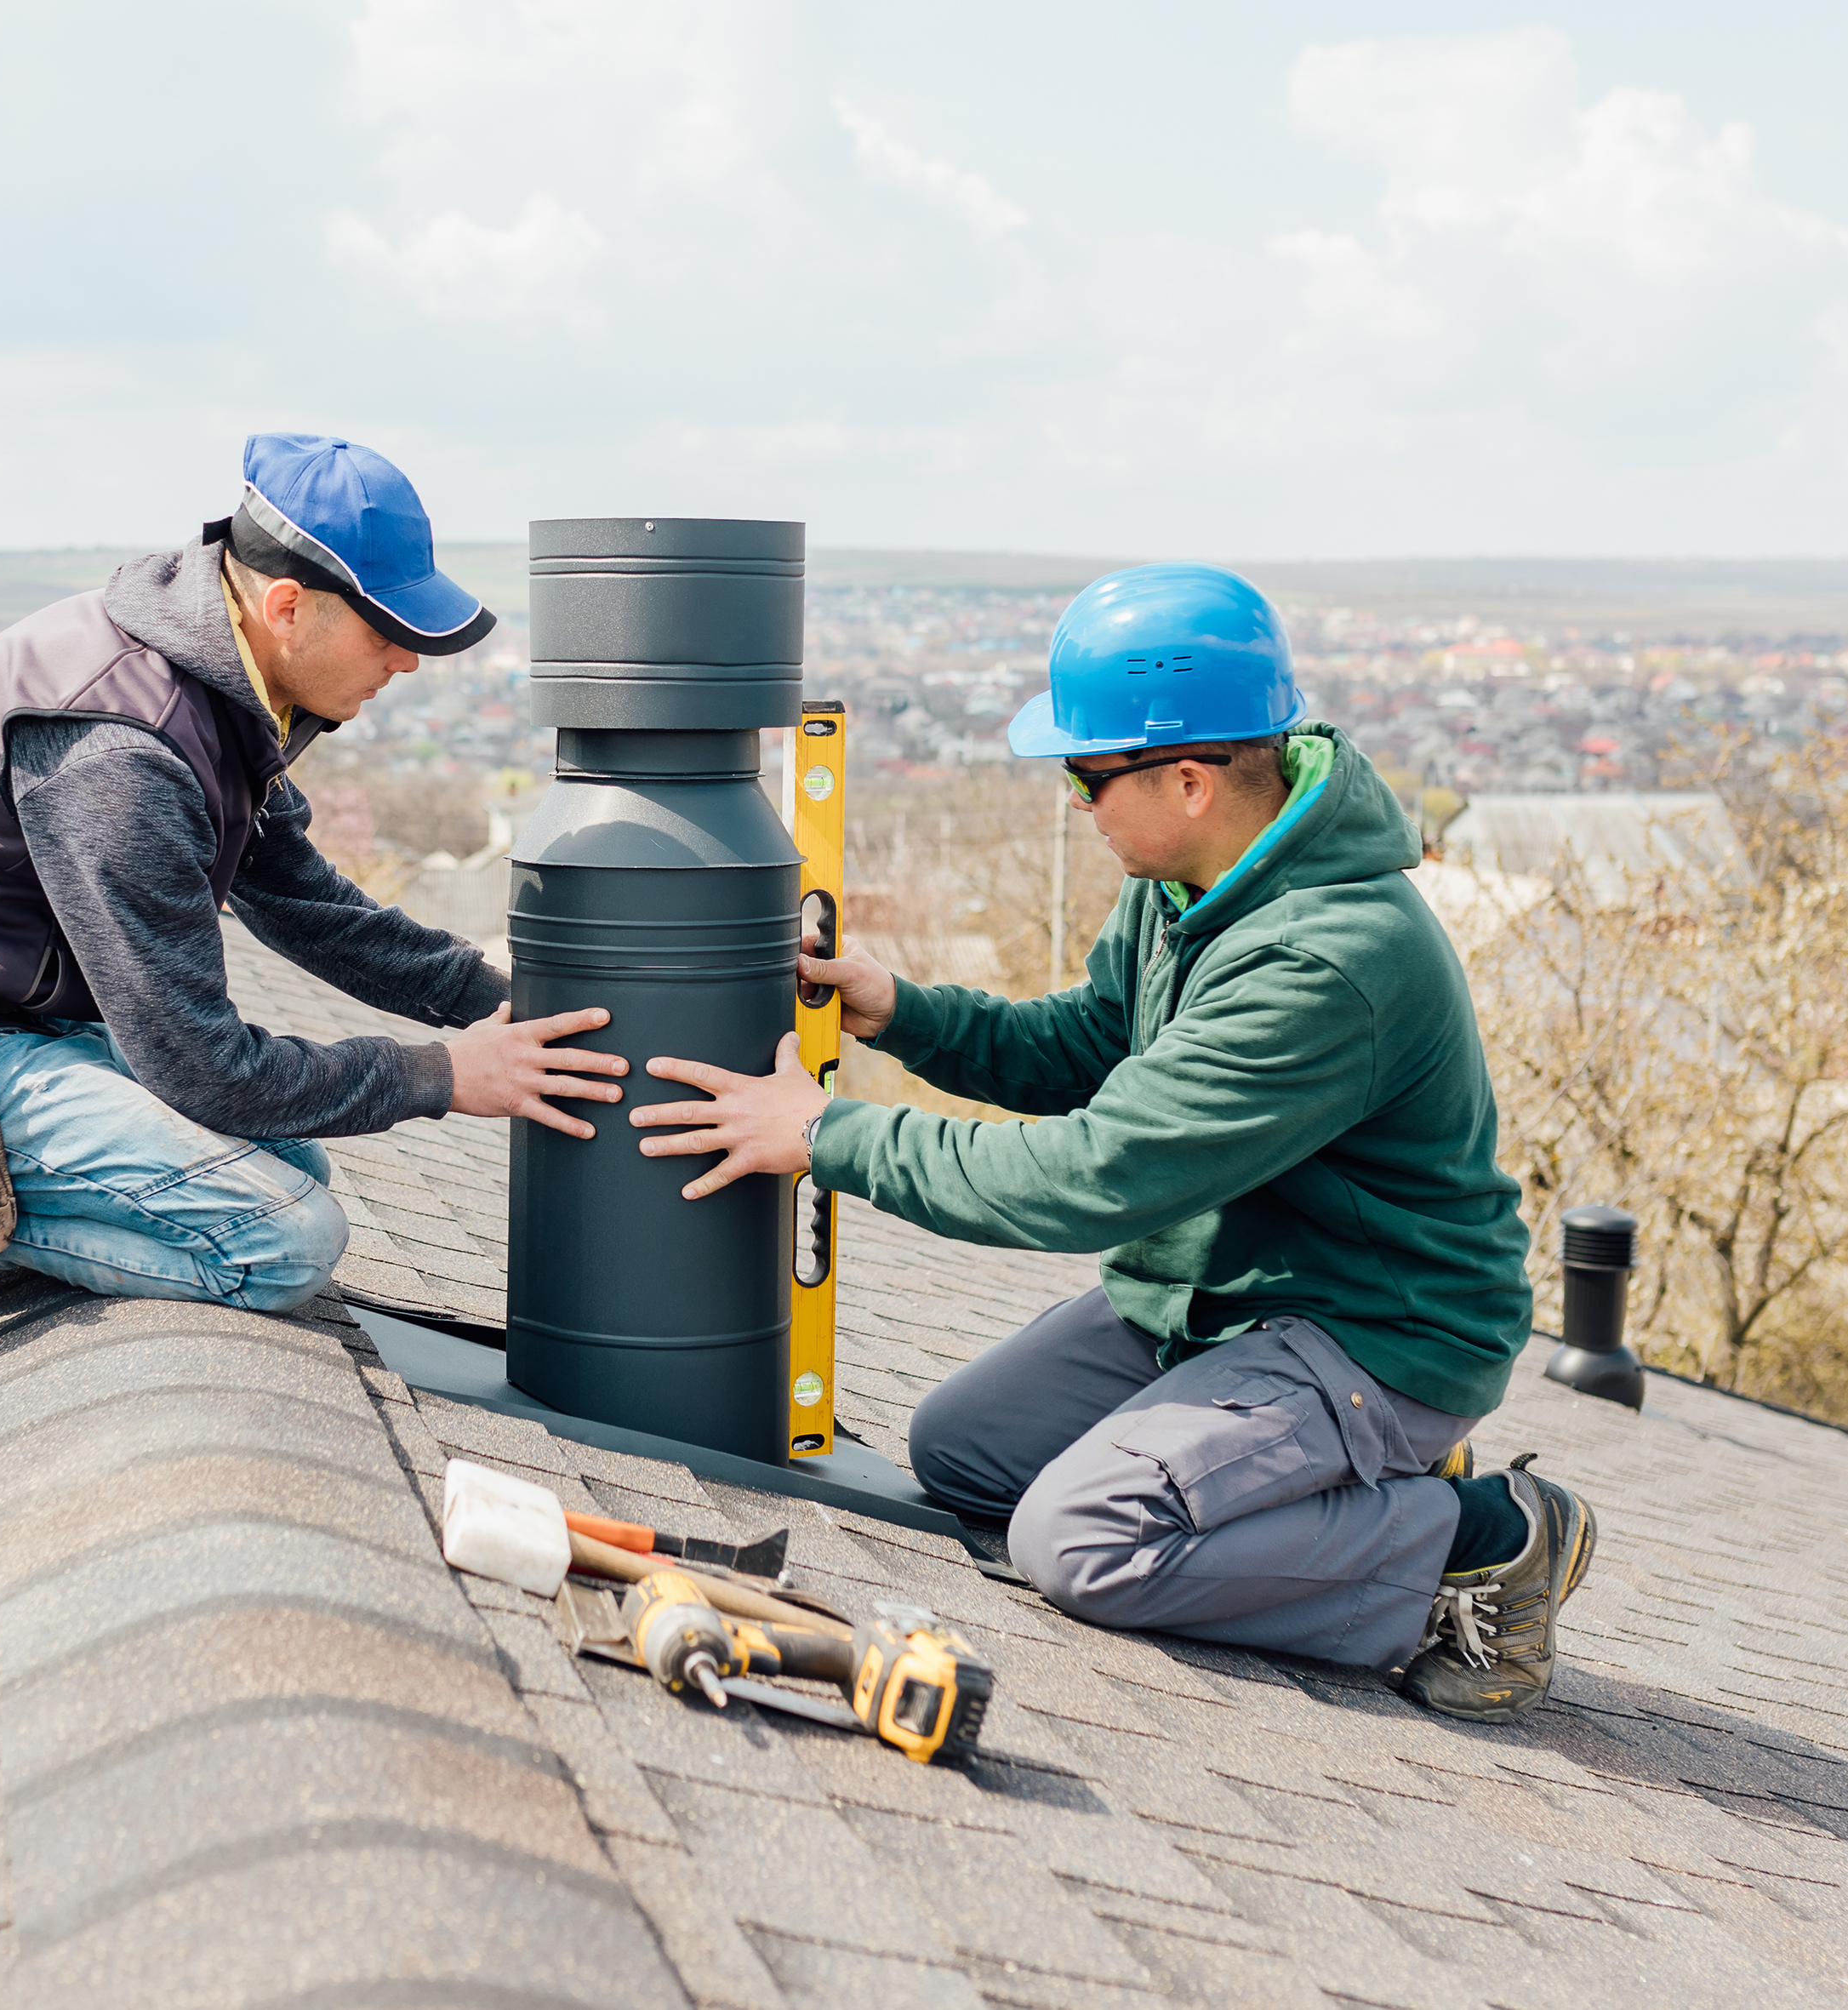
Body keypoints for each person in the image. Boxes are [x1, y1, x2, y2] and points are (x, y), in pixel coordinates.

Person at [625, 563, 1596, 1722]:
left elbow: (1091, 1178)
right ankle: (1312, 1486)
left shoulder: (1327, 959)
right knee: (963, 1451)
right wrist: (900, 1009)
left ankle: (1474, 1538)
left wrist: (825, 1135)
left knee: (1082, 1542)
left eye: (1085, 777)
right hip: (1222, 1300)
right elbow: (1086, 1042)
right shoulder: (1191, 880)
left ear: (1186, 779)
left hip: (1372, 1334)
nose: (1074, 805)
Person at [0, 433, 625, 1387]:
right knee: (284, 1237)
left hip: (2, 1020)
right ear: (288, 607)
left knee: (298, 1159)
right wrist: (438, 1077)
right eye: (388, 631)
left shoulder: (219, 683)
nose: (408, 662)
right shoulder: (118, 753)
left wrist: (497, 1001)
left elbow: (308, 905)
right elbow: (202, 1069)